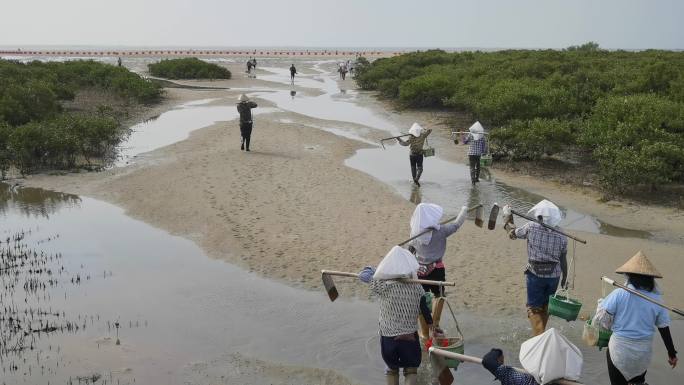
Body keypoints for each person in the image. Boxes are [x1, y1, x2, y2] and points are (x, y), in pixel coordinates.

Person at [597, 251, 677, 385]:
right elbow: (664, 328)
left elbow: (602, 319)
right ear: (650, 279)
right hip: (642, 354)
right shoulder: (657, 300)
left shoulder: (619, 294)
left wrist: (602, 305)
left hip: (620, 351)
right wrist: (672, 353)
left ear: (630, 276)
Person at [358, 246, 436, 385]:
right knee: (411, 370)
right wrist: (433, 327)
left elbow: (363, 275)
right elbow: (425, 312)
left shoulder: (383, 286)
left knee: (391, 369)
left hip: (389, 337)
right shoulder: (417, 288)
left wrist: (373, 270)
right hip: (410, 338)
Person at [507, 200, 568, 336]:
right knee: (546, 306)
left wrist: (509, 221)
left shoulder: (531, 227)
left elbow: (512, 234)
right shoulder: (562, 235)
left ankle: (539, 336)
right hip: (554, 276)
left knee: (534, 308)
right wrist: (565, 277)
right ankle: (540, 332)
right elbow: (563, 259)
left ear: (539, 216)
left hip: (535, 274)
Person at [409, 203, 467, 297]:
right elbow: (456, 225)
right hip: (436, 270)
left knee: (422, 298)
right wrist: (464, 210)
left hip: (420, 271)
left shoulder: (415, 233)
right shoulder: (441, 231)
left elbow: (410, 249)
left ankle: (425, 311)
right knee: (439, 296)